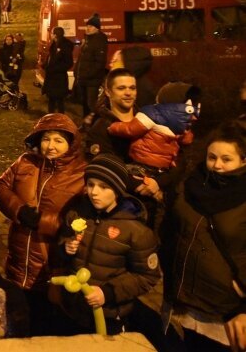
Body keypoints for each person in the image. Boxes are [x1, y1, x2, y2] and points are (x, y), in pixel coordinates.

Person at [0, 113, 86, 336]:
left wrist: (41, 222)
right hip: (18, 261)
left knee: (45, 328)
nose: (50, 146)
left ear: (71, 144)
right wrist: (19, 210)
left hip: (50, 266)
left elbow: (78, 223)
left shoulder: (81, 174)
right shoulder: (26, 162)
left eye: (58, 140)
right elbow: (0, 187)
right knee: (17, 324)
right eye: (46, 139)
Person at [161, 121, 246, 351]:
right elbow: (170, 231)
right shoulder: (189, 185)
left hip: (223, 312)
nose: (217, 165)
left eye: (226, 159)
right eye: (212, 157)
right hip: (181, 301)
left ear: (243, 161)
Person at [57, 154, 160, 335]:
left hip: (109, 314)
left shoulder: (136, 230)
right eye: (90, 185)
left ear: (118, 190)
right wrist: (65, 248)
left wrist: (108, 293)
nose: (94, 192)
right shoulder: (77, 212)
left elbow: (147, 277)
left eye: (104, 187)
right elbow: (62, 242)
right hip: (72, 308)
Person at [74, 13, 109, 120]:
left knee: (92, 104)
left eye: (91, 26)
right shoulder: (88, 39)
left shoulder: (99, 41)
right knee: (84, 104)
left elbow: (100, 63)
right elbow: (81, 59)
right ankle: (86, 124)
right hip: (83, 79)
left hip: (92, 80)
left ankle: (96, 125)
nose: (88, 28)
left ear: (97, 28)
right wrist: (77, 72)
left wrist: (88, 74)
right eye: (87, 26)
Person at [42, 27, 75, 113]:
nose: (51, 35)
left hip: (59, 78)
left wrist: (55, 69)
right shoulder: (53, 44)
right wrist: (45, 65)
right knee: (51, 100)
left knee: (60, 101)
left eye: (52, 33)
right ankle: (51, 118)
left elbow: (68, 63)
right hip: (51, 78)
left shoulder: (65, 46)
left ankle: (61, 119)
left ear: (55, 35)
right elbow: (51, 58)